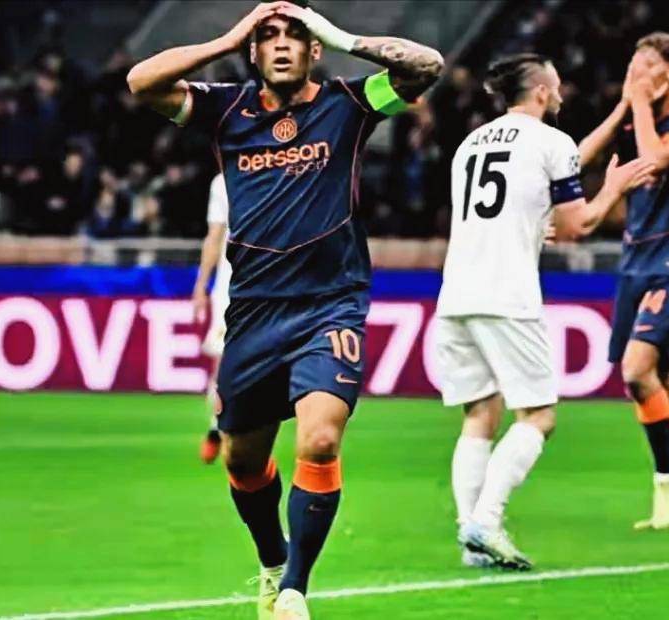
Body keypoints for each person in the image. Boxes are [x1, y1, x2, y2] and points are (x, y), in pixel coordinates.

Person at [126, 2, 443, 617]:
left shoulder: (350, 105)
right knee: (243, 460)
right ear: (253, 51)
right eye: (267, 37)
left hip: (329, 306)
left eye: (294, 36)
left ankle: (294, 589)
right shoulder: (225, 110)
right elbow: (142, 82)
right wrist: (228, 38)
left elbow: (426, 66)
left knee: (320, 440)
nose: (279, 45)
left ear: (313, 49)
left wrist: (339, 34)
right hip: (253, 314)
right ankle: (273, 562)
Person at [436, 54, 653, 569]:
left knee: (479, 414)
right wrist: (615, 187)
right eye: (555, 86)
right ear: (539, 91)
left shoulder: (471, 144)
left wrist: (620, 111)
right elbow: (578, 224)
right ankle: (487, 520)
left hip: (456, 292)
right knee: (538, 416)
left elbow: (546, 178)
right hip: (507, 293)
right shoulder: (549, 142)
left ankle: (471, 540)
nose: (560, 93)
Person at [579, 32, 669, 530]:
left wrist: (638, 104)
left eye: (645, 67)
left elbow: (656, 159)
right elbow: (577, 163)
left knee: (637, 370)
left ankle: (665, 488)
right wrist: (624, 105)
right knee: (661, 380)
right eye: (631, 68)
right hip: (634, 261)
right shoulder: (635, 118)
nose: (635, 77)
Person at [193, 173, 230, 464]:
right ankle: (216, 428)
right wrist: (201, 285)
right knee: (225, 362)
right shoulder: (222, 183)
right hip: (231, 289)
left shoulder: (285, 170)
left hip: (275, 287)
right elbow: (215, 236)